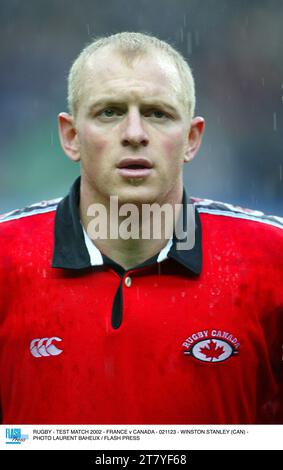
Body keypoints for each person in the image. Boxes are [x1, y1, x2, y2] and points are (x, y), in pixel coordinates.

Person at [0, 32, 282, 425]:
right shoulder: (5, 258)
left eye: (157, 113)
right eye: (110, 112)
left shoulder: (273, 261)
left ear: (191, 138)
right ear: (71, 136)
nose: (134, 133)